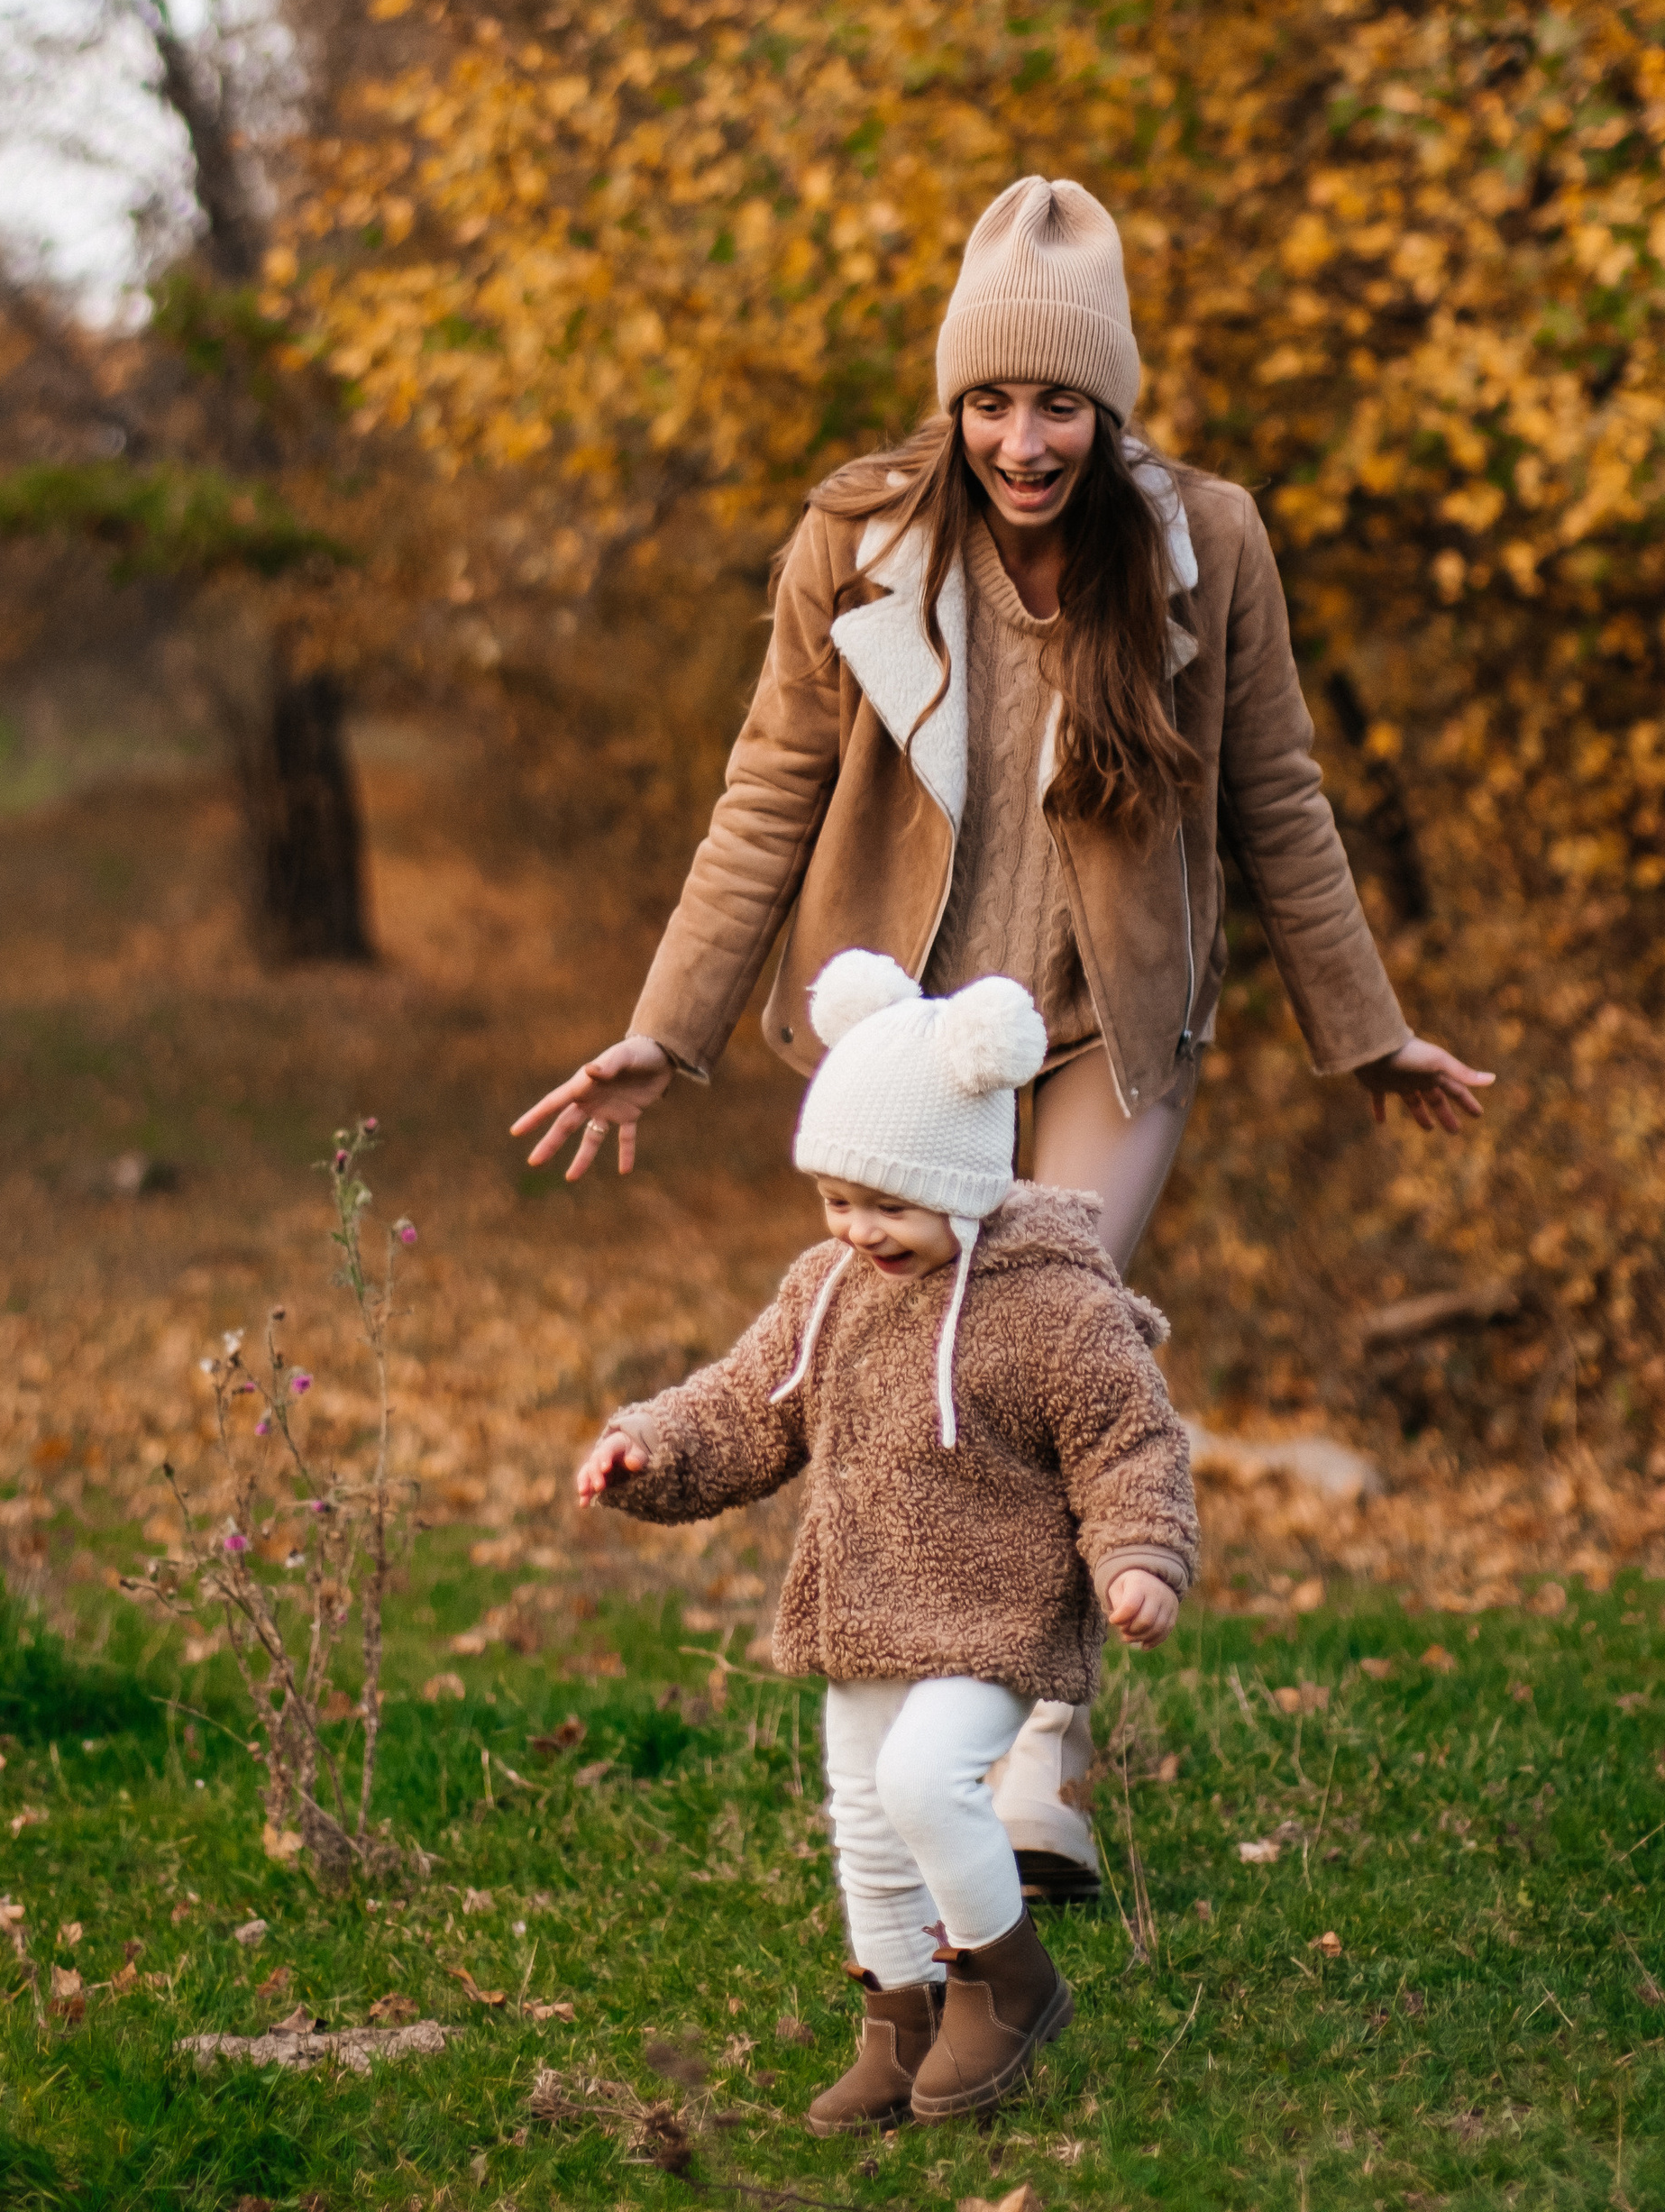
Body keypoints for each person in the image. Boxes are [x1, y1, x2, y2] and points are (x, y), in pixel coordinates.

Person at [521, 174, 1491, 1897]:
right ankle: (952, 1723)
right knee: (925, 1353)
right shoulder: (859, 539)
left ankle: (1040, 1759)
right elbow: (769, 789)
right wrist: (667, 1032)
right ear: (952, 398)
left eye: (1058, 404)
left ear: (1108, 404)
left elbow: (1276, 794)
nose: (1022, 442)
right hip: (904, 1036)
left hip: (1108, 1020)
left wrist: (1367, 1030)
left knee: (1045, 1330)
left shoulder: (1207, 542)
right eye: (990, 402)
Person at [577, 947, 1196, 2130]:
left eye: (890, 1205)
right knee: (865, 1809)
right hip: (867, 1599)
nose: (860, 1230)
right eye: (837, 1199)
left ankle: (1007, 1986)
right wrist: (650, 1445)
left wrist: (1139, 1558)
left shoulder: (1053, 1305)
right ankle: (900, 2019)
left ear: (964, 1180)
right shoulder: (828, 1289)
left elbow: (1128, 1441)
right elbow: (744, 1403)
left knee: (925, 1781)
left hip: (1001, 1609)